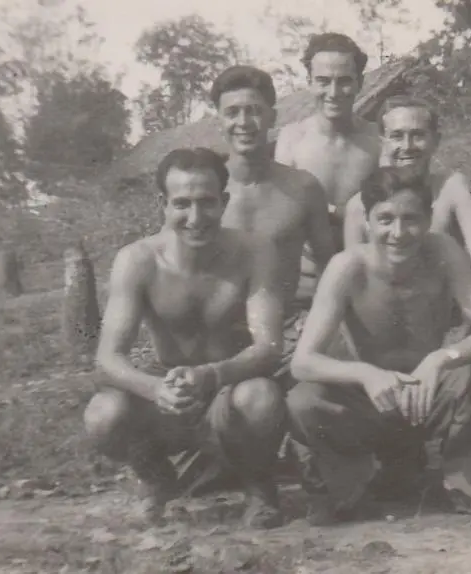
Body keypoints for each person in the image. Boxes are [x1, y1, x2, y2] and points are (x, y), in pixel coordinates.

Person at [287, 165, 471, 525]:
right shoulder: (347, 266)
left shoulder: (442, 252)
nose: (398, 233)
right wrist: (366, 374)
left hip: (428, 393)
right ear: (366, 220)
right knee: (305, 400)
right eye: (385, 219)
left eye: (411, 219)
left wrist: (441, 359)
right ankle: (352, 489)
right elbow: (302, 362)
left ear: (428, 219)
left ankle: (468, 487)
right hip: (371, 401)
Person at [84, 148, 288, 529]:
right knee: (103, 414)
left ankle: (258, 485)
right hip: (166, 389)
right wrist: (154, 387)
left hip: (229, 387)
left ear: (224, 202)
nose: (195, 218)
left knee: (261, 397)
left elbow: (269, 347)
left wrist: (211, 375)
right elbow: (108, 358)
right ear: (163, 204)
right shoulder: (138, 260)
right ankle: (157, 479)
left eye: (207, 203)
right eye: (182, 204)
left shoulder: (254, 251)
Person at [211, 65, 336, 387]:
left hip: (286, 334)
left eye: (253, 111)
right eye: (232, 112)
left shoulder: (303, 188)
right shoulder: (203, 191)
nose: (243, 123)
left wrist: (313, 323)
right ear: (218, 120)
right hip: (215, 338)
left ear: (272, 117)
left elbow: (331, 269)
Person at [343, 95, 471, 294]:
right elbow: (353, 278)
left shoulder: (452, 189)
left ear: (436, 140)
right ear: (383, 141)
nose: (407, 146)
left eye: (418, 135)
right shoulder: (358, 205)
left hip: (450, 308)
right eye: (397, 136)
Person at [274, 33, 381, 298]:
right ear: (310, 82)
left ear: (360, 82)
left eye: (344, 81)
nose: (333, 93)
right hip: (304, 280)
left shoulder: (377, 141)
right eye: (323, 81)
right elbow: (282, 215)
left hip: (365, 277)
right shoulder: (291, 139)